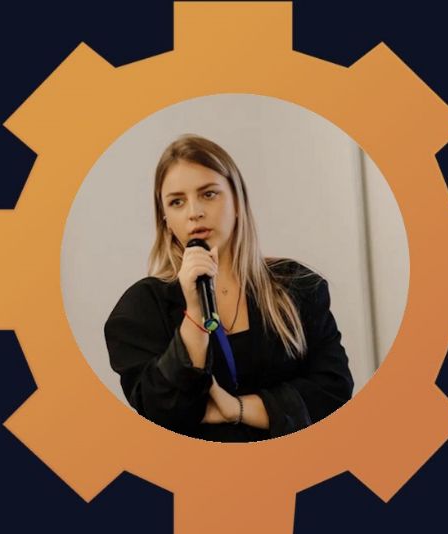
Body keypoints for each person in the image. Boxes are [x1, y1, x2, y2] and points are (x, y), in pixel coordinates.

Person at [104, 134, 354, 442]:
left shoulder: (298, 286)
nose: (194, 211)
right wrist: (195, 314)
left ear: (237, 201)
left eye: (208, 194)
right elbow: (160, 413)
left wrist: (236, 408)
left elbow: (334, 391)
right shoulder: (141, 307)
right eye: (177, 202)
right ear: (165, 219)